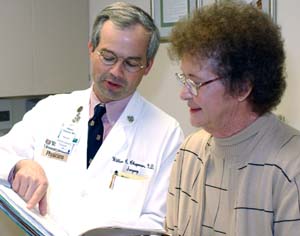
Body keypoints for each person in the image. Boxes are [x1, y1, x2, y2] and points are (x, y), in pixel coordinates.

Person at [0, 1, 183, 231]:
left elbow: (160, 221)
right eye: (108, 57)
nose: (116, 72)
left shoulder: (167, 132)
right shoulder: (51, 110)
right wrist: (20, 164)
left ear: (147, 66)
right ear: (91, 49)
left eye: (131, 63)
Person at [166, 1, 300, 236]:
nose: (184, 94)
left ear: (242, 88)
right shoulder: (190, 152)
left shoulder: (291, 168)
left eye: (195, 83)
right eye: (184, 79)